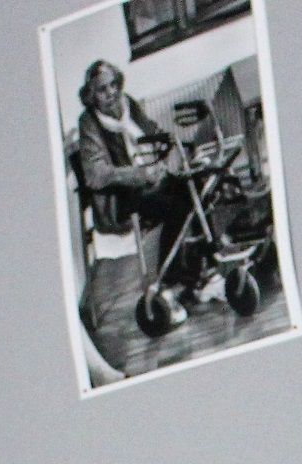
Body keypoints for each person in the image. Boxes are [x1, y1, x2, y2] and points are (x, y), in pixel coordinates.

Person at [72, 58, 203, 331]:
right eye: (101, 89)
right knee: (177, 207)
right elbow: (95, 175)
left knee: (197, 186)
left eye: (113, 85)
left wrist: (174, 146)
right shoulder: (89, 123)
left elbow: (152, 132)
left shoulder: (128, 103)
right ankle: (170, 282)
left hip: (151, 179)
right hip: (121, 196)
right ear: (91, 95)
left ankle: (195, 272)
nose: (110, 94)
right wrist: (139, 174)